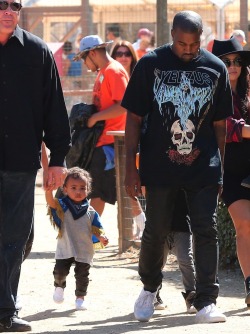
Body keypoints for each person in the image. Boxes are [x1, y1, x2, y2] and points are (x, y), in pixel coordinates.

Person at [122, 10, 233, 324]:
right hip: (160, 165)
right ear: (172, 35)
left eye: (194, 43)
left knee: (206, 228)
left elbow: (221, 125)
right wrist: (132, 167)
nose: (188, 49)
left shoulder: (215, 67)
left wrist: (220, 166)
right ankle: (149, 287)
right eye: (182, 43)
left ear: (201, 38)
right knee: (156, 230)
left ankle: (206, 300)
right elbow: (133, 119)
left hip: (204, 165)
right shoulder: (149, 65)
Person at [0, 1, 71, 332]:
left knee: (17, 236)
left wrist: (57, 159)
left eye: (14, 4)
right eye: (2, 4)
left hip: (19, 160)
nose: (8, 10)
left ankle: (4, 310)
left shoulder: (37, 51)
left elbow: (54, 106)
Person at [212, 37, 250, 307]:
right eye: (226, 61)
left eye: (238, 60)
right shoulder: (214, 94)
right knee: (245, 224)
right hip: (230, 172)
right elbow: (230, 128)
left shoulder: (249, 91)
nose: (233, 65)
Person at [74, 35, 129, 216]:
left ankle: (91, 236)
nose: (84, 63)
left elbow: (122, 105)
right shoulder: (103, 72)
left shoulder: (114, 71)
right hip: (100, 141)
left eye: (84, 58)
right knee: (94, 190)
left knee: (98, 193)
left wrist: (95, 117)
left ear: (92, 53)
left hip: (109, 143)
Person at [46, 167, 108, 310]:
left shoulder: (91, 211)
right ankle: (59, 287)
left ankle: (80, 298)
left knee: (82, 276)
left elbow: (96, 228)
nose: (78, 191)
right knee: (60, 272)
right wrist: (48, 190)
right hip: (65, 246)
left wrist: (102, 237)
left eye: (82, 188)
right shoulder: (62, 205)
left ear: (88, 189)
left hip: (84, 249)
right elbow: (51, 203)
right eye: (73, 187)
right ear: (65, 189)